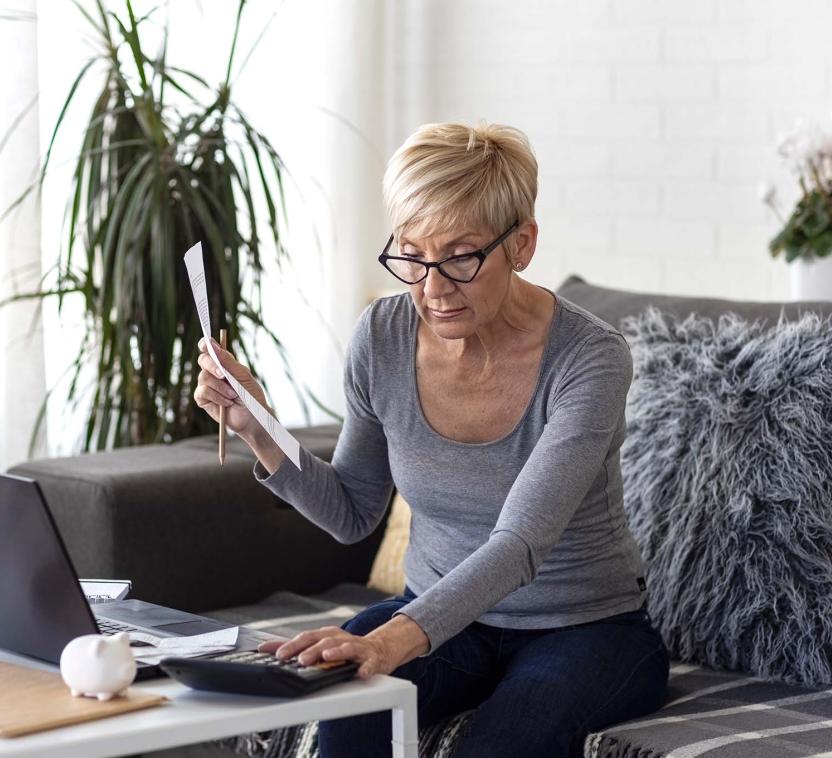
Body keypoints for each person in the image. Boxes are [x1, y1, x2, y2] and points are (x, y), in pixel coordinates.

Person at [192, 121, 669, 757]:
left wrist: (389, 638)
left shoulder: (590, 359)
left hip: (584, 630)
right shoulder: (382, 337)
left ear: (521, 245)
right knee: (349, 716)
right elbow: (352, 512)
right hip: (448, 620)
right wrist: (257, 425)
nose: (432, 288)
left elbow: (521, 543)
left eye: (461, 257)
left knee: (500, 743)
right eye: (412, 255)